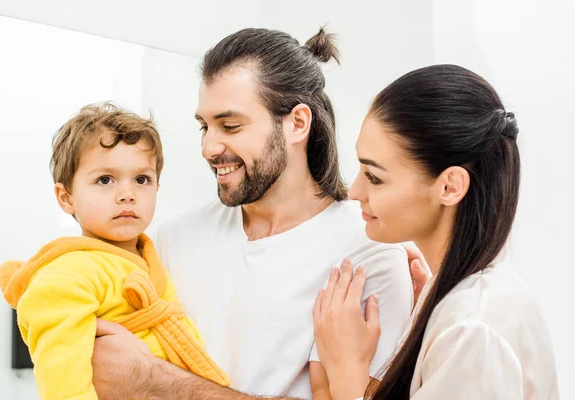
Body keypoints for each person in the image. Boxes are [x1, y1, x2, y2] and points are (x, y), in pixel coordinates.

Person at [91, 28, 413, 399]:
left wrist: (152, 381)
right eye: (204, 126)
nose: (209, 147)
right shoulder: (175, 236)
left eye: (230, 126)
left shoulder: (368, 253)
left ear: (297, 123)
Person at [312, 64, 559, 399]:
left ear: (450, 186)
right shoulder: (462, 304)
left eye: (374, 177)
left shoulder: (473, 329)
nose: (354, 191)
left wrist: (346, 373)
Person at [0, 103, 229, 400]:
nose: (127, 194)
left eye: (142, 180)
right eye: (105, 180)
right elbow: (62, 378)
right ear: (66, 198)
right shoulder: (68, 273)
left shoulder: (152, 258)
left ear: (157, 187)